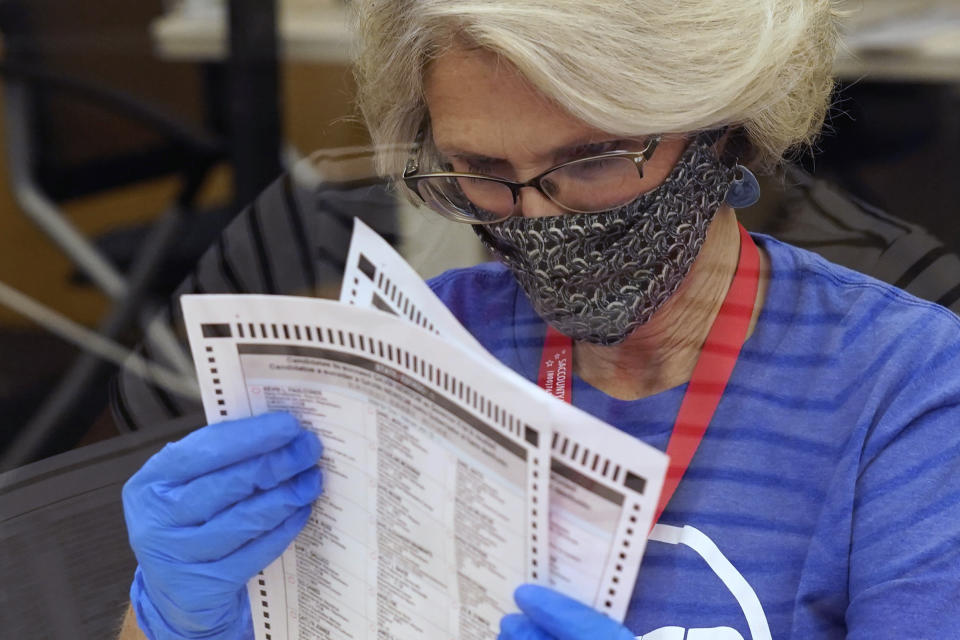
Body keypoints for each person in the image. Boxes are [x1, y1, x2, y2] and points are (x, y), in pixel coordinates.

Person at [118, 1, 960, 638]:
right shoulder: (422, 346)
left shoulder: (905, 391)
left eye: (591, 160)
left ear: (724, 133)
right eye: (481, 170)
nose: (538, 216)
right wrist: (176, 618)